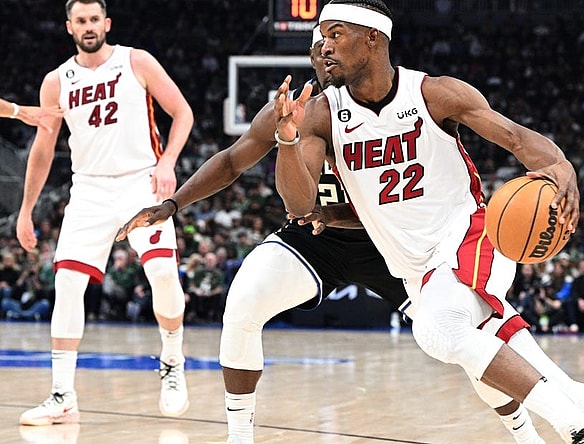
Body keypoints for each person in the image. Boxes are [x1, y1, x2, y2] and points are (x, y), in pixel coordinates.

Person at [272, 1, 584, 442]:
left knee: (436, 330)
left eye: (335, 34)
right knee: (561, 388)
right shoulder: (322, 115)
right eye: (320, 38)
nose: (324, 46)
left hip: (472, 238)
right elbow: (297, 203)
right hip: (421, 275)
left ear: (373, 39)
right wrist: (288, 138)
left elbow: (513, 137)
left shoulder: (434, 93)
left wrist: (560, 166)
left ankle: (577, 434)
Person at [117, 29, 546, 444]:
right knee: (243, 303)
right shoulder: (296, 110)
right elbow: (231, 162)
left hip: (396, 242)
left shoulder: (400, 104)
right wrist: (172, 204)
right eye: (318, 48)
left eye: (334, 44)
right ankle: (239, 436)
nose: (326, 54)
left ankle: (525, 435)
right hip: (315, 238)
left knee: (468, 341)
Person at [15, 0, 192, 426]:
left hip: (140, 181)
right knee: (68, 284)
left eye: (95, 19)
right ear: (69, 27)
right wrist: (26, 210)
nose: (89, 26)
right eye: (81, 20)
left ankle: (172, 360)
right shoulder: (56, 82)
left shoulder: (136, 61)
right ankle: (62, 395)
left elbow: (182, 112)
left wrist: (167, 162)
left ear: (106, 23)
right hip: (89, 189)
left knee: (163, 274)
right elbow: (43, 149)